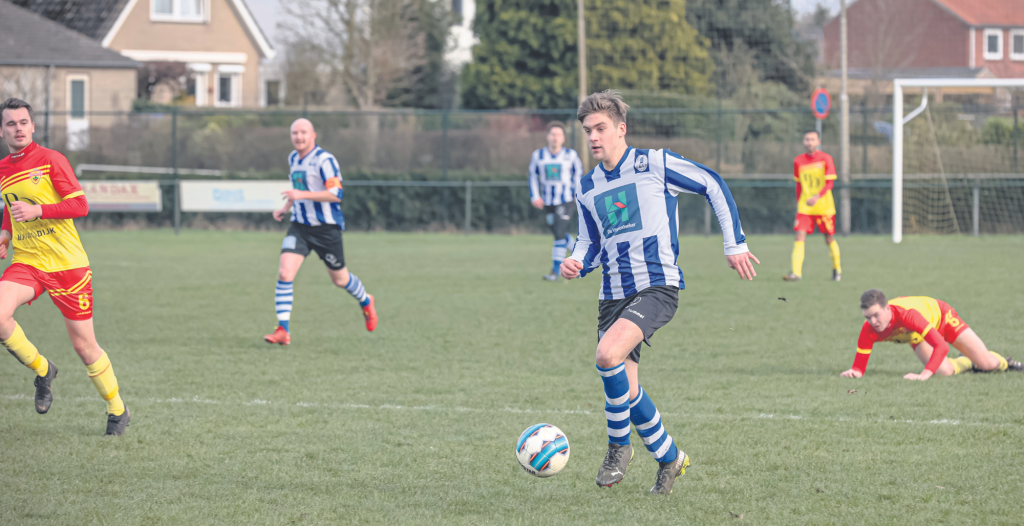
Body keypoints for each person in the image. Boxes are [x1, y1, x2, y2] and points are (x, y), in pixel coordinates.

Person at [560, 90, 760, 495]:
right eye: (587, 131)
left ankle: (619, 449)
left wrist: (734, 242)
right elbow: (590, 242)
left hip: (656, 286)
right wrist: (576, 261)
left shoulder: (653, 163)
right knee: (627, 391)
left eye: (601, 128)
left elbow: (712, 184)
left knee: (606, 355)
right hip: (611, 294)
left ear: (621, 128)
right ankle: (670, 459)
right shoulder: (587, 187)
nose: (594, 137)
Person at [0, 97, 130, 435]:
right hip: (28, 261)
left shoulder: (50, 160)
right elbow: (12, 205)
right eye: (11, 123)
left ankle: (117, 410)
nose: (18, 128)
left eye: (23, 122)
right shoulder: (2, 169)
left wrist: (40, 211)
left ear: (33, 126)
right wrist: (4, 233)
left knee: (84, 346)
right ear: (2, 130)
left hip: (67, 265)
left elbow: (81, 205)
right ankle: (43, 370)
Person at [264, 119, 378, 345]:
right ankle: (282, 330)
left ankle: (365, 300)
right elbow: (299, 190)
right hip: (300, 227)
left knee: (340, 280)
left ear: (313, 135)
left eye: (303, 132)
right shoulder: (293, 158)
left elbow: (336, 194)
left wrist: (301, 197)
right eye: (294, 133)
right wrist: (286, 208)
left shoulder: (325, 160)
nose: (298, 137)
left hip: (327, 230)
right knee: (285, 272)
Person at [840, 289, 1023, 380]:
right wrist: (854, 372)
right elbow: (859, 368)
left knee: (989, 364)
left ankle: (1008, 363)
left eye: (876, 315)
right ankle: (968, 361)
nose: (873, 322)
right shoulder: (869, 329)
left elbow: (941, 346)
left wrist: (924, 375)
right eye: (867, 317)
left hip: (941, 317)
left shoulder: (907, 316)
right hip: (919, 335)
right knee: (945, 371)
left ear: (887, 309)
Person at [783, 130, 841, 282]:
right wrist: (799, 203)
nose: (809, 142)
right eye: (807, 139)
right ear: (804, 141)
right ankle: (796, 273)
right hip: (805, 207)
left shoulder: (826, 159)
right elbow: (798, 185)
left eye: (812, 139)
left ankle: (837, 269)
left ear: (818, 142)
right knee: (799, 236)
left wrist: (817, 196)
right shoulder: (798, 161)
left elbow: (829, 183)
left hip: (824, 206)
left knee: (829, 238)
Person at [529, 121, 583, 281]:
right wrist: (535, 196)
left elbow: (578, 175)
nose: (555, 138)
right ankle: (580, 260)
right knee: (559, 234)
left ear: (563, 138)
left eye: (558, 135)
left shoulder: (571, 155)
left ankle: (555, 272)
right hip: (547, 202)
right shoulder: (538, 155)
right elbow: (532, 176)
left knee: (559, 235)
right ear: (547, 137)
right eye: (553, 134)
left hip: (565, 200)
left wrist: (577, 192)